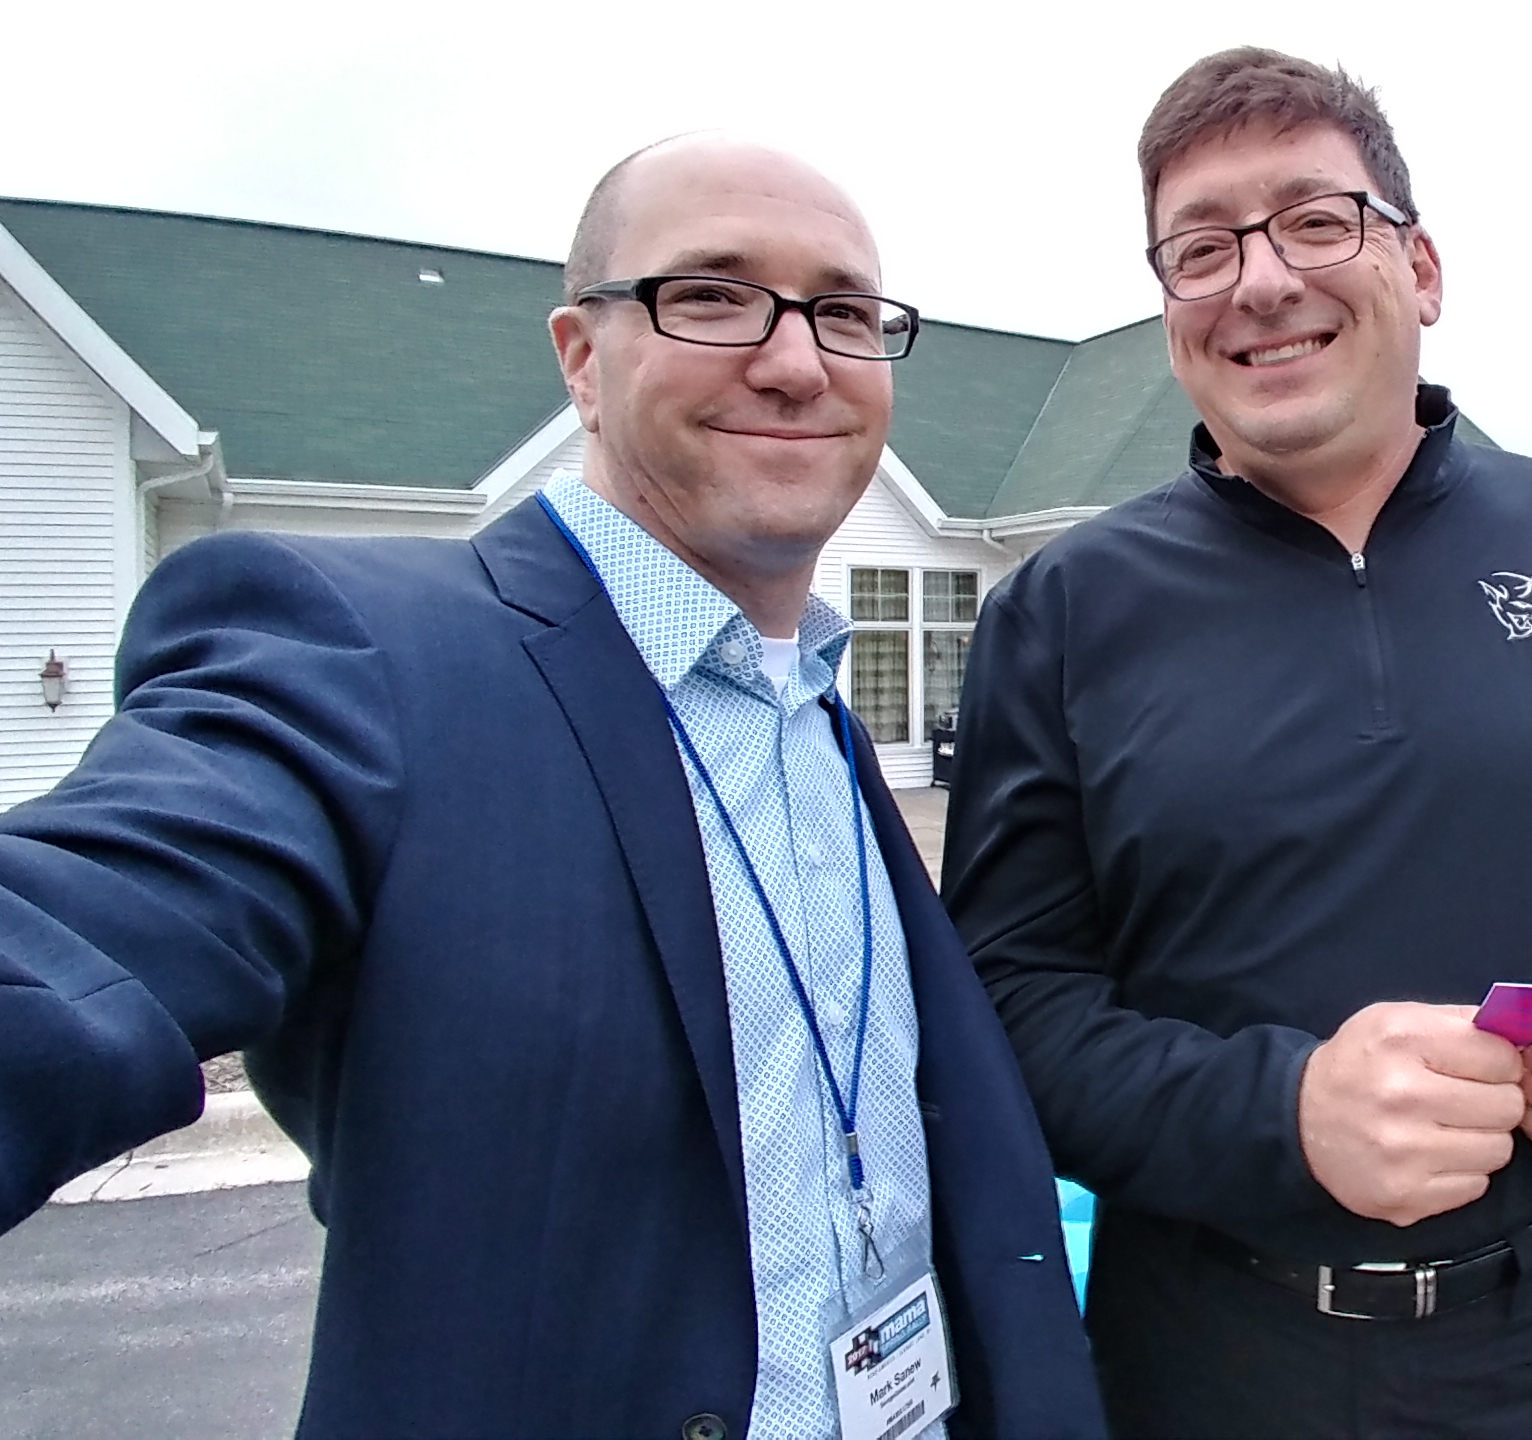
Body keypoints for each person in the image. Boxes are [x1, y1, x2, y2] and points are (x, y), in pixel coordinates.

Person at [0, 135, 1103, 1440]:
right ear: (581, 357)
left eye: (845, 314)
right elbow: (92, 926)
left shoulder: (813, 705)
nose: (796, 361)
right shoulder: (360, 664)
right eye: (712, 296)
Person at [942, 47, 1532, 1440]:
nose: (1261, 280)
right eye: (1202, 248)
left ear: (1421, 268)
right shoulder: (1064, 611)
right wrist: (1286, 1113)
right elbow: (1007, 1001)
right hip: (1205, 1366)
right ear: (1170, 310)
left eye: (1315, 220)